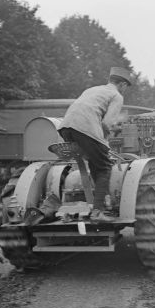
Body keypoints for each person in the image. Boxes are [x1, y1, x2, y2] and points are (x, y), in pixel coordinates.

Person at [58, 66, 132, 221]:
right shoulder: (116, 95)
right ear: (123, 85)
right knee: (105, 167)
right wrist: (109, 136)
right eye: (125, 87)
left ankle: (93, 204)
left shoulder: (93, 90)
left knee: (95, 164)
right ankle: (98, 212)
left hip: (65, 128)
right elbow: (106, 123)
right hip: (84, 129)